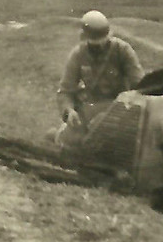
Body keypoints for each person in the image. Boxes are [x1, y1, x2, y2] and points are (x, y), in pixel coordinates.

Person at [55, 10, 144, 149]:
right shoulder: (78, 54)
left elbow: (139, 84)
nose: (100, 46)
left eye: (103, 42)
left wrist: (131, 101)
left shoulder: (123, 50)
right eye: (94, 44)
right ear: (85, 39)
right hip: (92, 108)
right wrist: (69, 112)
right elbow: (65, 91)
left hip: (120, 108)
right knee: (68, 142)